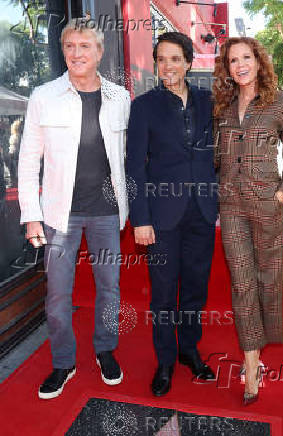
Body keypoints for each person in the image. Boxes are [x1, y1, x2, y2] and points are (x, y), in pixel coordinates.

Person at [18, 19, 130, 399]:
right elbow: (28, 160)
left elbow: (126, 157)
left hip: (107, 211)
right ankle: (63, 362)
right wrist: (31, 214)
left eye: (85, 46)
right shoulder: (43, 96)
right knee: (57, 294)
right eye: (69, 46)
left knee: (110, 288)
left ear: (99, 52)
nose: (76, 53)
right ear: (63, 50)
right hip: (58, 215)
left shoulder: (120, 97)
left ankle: (105, 349)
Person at [127, 32, 218, 397]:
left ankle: (188, 350)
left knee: (196, 287)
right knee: (164, 293)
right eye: (162, 59)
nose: (168, 66)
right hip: (161, 215)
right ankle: (164, 360)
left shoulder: (209, 101)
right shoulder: (144, 106)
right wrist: (141, 219)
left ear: (188, 62)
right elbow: (133, 167)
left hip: (202, 210)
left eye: (175, 59)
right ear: (156, 64)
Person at [213, 37, 283, 405]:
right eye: (233, 60)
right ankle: (251, 368)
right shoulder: (223, 106)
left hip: (268, 205)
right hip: (231, 206)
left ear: (258, 61)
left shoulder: (281, 103)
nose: (240, 65)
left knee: (267, 279)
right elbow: (216, 156)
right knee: (242, 283)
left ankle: (260, 351)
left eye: (246, 57)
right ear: (228, 68)